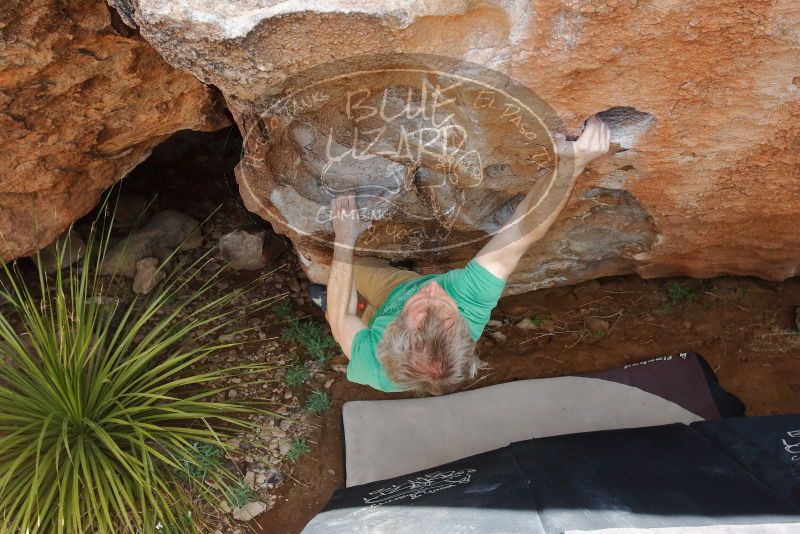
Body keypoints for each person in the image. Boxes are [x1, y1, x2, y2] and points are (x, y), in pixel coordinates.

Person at [318, 116, 611, 395]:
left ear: (392, 331)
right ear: (459, 323)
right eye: (444, 305)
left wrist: (345, 236)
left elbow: (342, 317)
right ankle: (358, 297)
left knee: (337, 305)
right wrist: (569, 166)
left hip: (383, 308)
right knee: (355, 276)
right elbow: (522, 232)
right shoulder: (469, 305)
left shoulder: (373, 366)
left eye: (419, 305)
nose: (432, 287)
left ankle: (338, 298)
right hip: (397, 288)